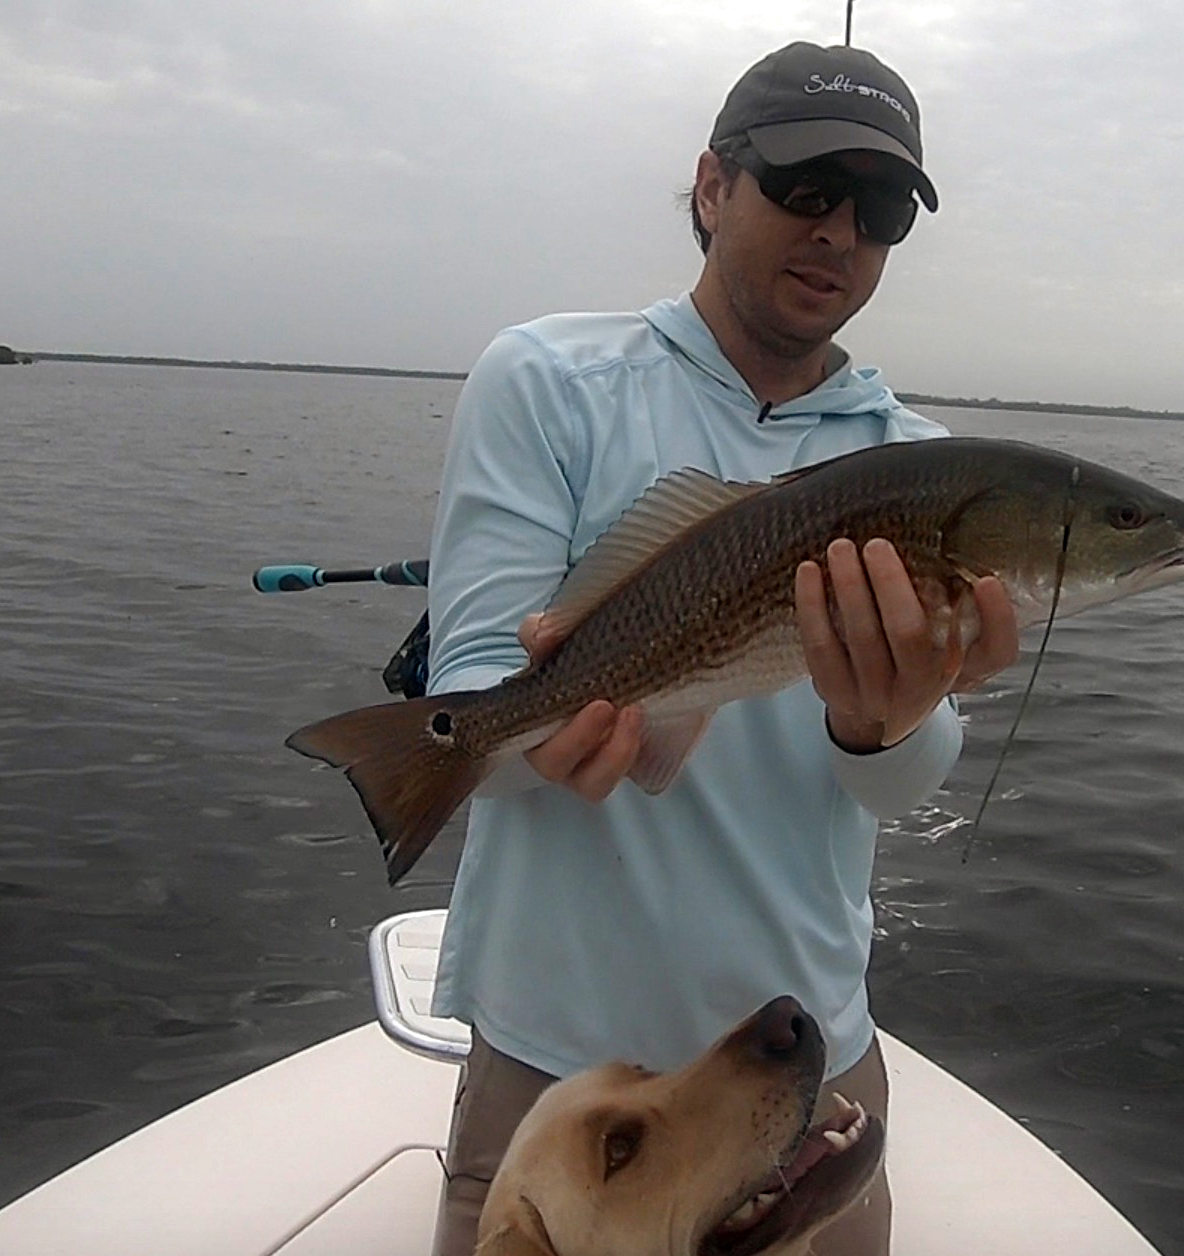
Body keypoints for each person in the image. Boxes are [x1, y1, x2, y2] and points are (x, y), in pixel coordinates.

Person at [423, 40, 1020, 1256]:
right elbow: (472, 685)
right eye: (804, 187)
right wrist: (534, 733)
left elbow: (903, 783)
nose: (838, 233)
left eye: (881, 207)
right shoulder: (548, 380)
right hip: (570, 1080)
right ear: (710, 187)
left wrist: (885, 717)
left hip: (811, 1061)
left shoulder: (920, 462)